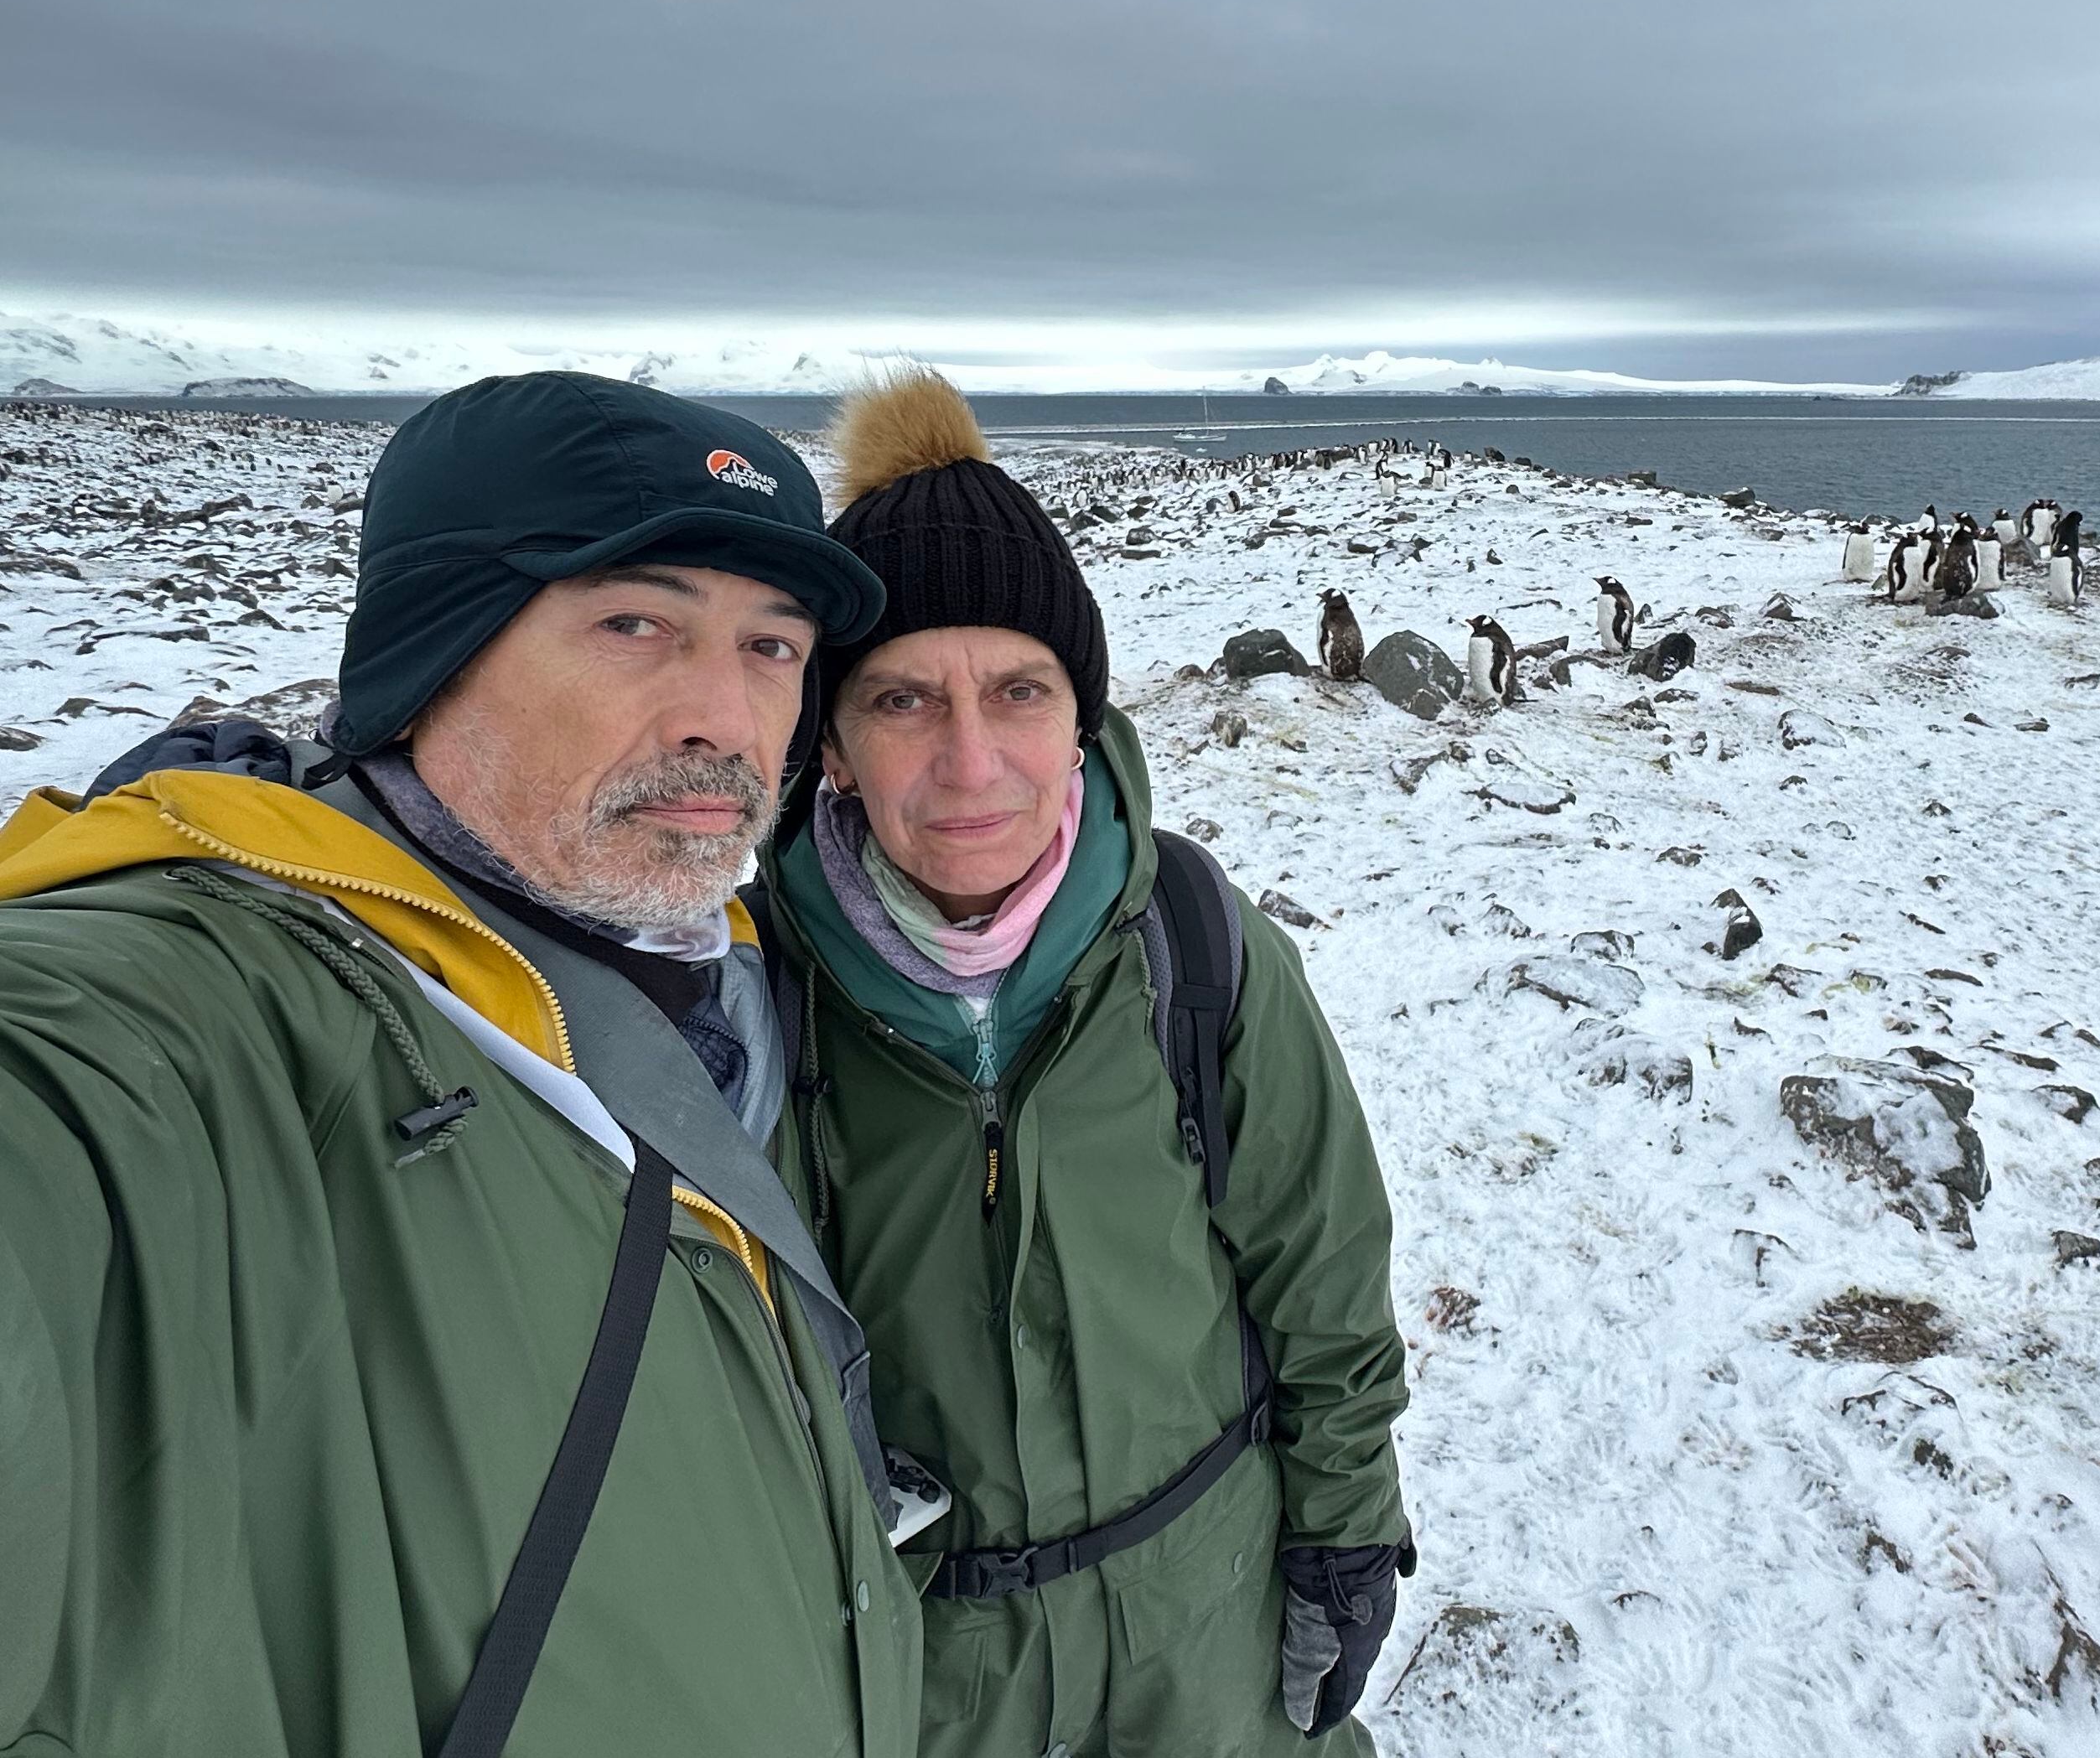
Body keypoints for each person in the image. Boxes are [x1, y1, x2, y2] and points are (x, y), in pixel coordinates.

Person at [0, 372, 925, 1757]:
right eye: (635, 624)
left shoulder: (718, 974)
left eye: (773, 648)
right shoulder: (210, 1009)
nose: (726, 722)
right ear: (436, 648)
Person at [765, 369, 1413, 1755]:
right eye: (901, 700)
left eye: (1019, 690)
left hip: (1211, 1639)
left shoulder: (1196, 949)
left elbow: (1325, 1282)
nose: (971, 761)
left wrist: (1347, 1539)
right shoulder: (759, 989)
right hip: (931, 1676)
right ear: (831, 737)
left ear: (1081, 718)